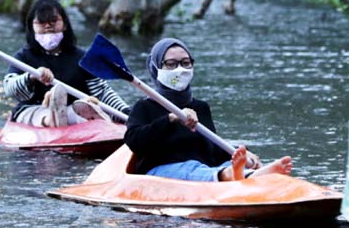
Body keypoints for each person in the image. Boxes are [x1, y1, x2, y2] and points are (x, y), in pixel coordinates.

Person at [124, 37, 293, 182]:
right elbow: (134, 142)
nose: (180, 69)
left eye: (185, 63)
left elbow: (212, 148)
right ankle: (232, 175)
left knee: (216, 166)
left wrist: (241, 154)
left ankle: (250, 174)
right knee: (194, 169)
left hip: (202, 168)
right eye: (171, 64)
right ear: (156, 68)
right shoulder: (144, 106)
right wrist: (170, 118)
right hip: (161, 171)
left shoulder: (200, 107)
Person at [3, 0, 130, 127]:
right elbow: (9, 87)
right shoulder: (23, 57)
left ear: (64, 25)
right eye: (41, 22)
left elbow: (102, 92)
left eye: (53, 21)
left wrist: (125, 112)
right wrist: (32, 76)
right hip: (34, 110)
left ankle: (90, 116)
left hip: (72, 110)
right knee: (41, 114)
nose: (47, 27)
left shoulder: (82, 58)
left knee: (82, 108)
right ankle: (51, 118)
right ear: (32, 26)